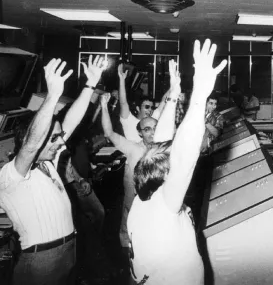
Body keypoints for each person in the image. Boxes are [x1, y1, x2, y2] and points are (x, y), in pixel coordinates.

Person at [0, 56, 107, 285]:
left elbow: (71, 122)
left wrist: (90, 86)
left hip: (68, 252)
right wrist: (52, 97)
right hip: (40, 260)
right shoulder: (12, 174)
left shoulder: (48, 163)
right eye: (55, 138)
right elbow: (30, 145)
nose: (62, 142)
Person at [127, 39, 227, 284]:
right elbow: (183, 156)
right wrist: (199, 95)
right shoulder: (165, 205)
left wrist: (173, 94)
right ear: (166, 177)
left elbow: (162, 143)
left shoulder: (144, 199)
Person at [101, 60, 181, 257]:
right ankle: (128, 255)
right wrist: (105, 103)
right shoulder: (131, 134)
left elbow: (164, 103)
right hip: (133, 181)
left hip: (154, 189)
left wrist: (174, 86)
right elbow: (111, 128)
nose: (152, 132)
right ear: (140, 132)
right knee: (129, 216)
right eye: (147, 129)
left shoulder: (160, 140)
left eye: (154, 128)